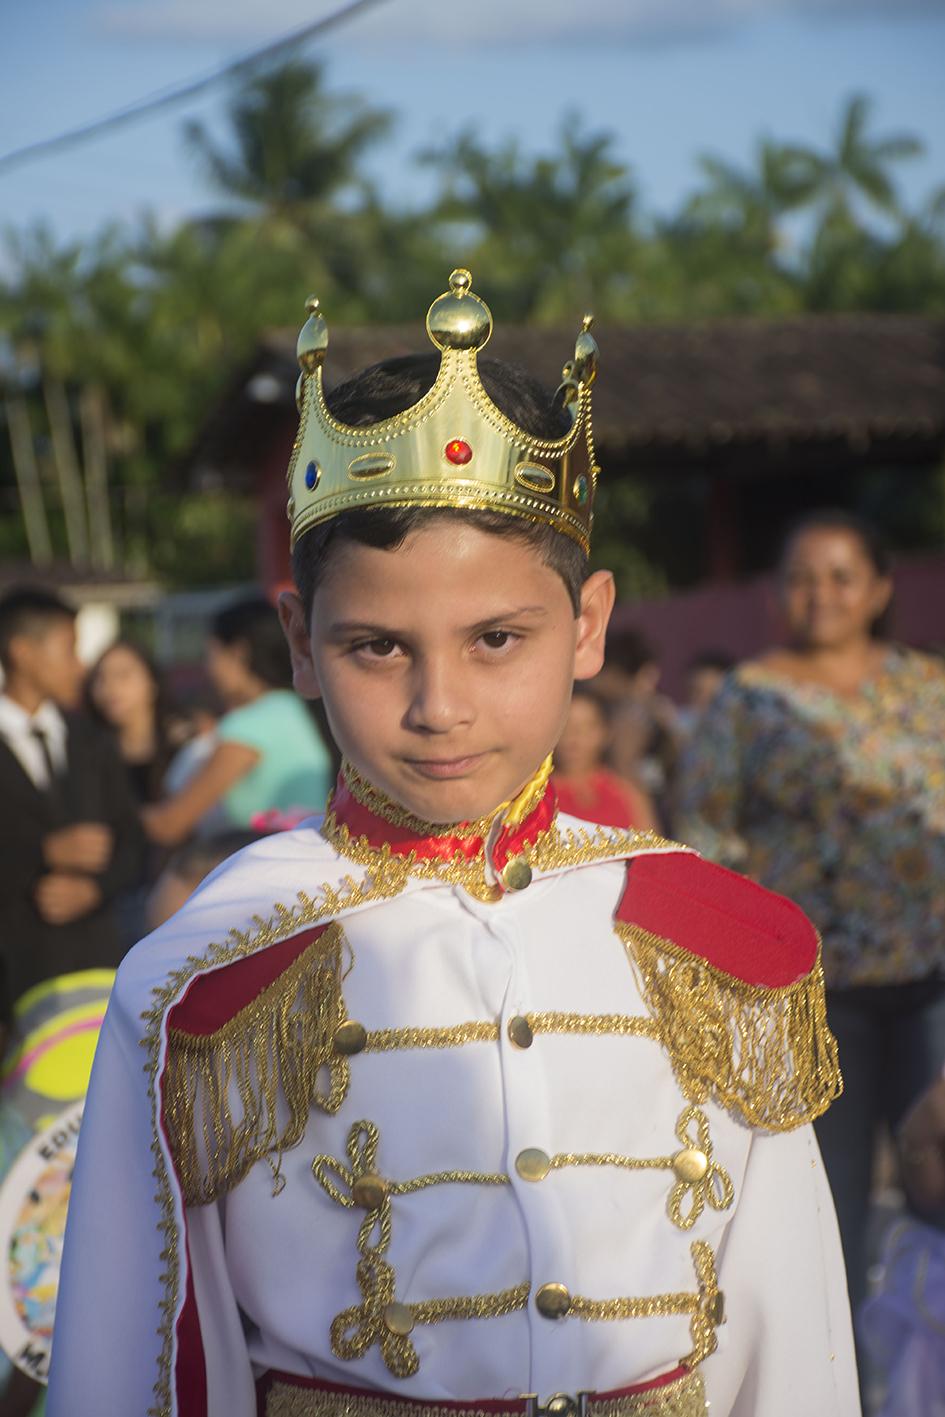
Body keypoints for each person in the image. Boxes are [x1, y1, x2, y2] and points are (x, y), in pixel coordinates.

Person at [48, 271, 858, 1417]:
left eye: (495, 638)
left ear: (588, 627)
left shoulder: (716, 941)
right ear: (298, 640)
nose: (441, 705)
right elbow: (140, 1355)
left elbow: (793, 1332)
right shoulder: (202, 978)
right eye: (378, 646)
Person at [675, 508, 945, 1325]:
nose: (819, 593)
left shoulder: (928, 687)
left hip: (932, 975)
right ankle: (845, 1385)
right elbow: (704, 833)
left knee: (940, 1185)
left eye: (839, 575)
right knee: (829, 1203)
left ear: (878, 588)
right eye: (800, 576)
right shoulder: (747, 699)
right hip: (810, 993)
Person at [0, 587, 146, 1019]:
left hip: (97, 970)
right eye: (69, 650)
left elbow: (132, 842)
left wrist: (94, 888)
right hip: (13, 978)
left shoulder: (91, 738)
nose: (80, 667)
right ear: (23, 652)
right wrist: (40, 854)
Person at [142, 595, 334, 846]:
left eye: (211, 654)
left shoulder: (250, 723)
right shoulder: (289, 707)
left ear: (237, 654)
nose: (207, 668)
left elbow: (170, 824)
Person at [553, 683, 659, 830]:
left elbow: (655, 849)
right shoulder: (535, 797)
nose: (575, 738)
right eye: (566, 726)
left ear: (606, 733)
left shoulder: (628, 795)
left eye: (587, 728)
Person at [85, 640, 176, 804]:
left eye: (123, 675)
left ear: (152, 682)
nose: (110, 687)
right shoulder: (86, 753)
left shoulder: (185, 746)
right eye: (100, 678)